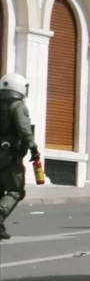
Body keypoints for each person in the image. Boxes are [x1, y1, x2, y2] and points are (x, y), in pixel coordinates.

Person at [0, 72, 39, 240]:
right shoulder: (17, 106)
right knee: (16, 190)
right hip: (9, 155)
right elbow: (24, 129)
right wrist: (33, 148)